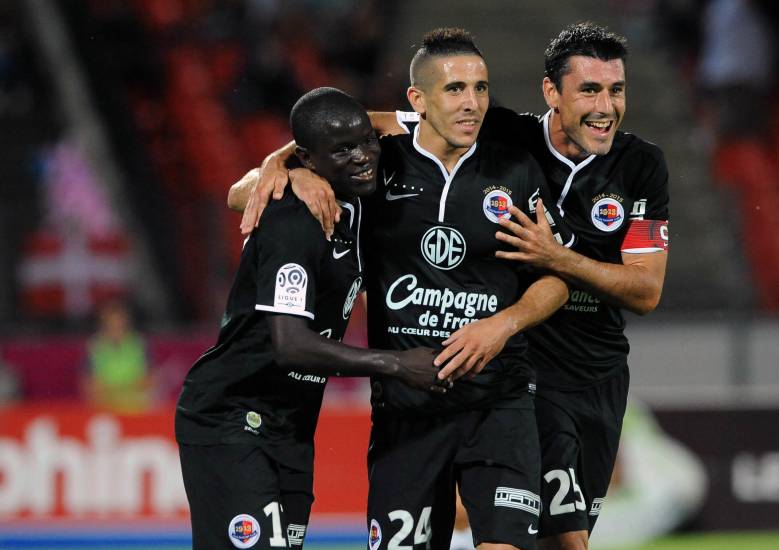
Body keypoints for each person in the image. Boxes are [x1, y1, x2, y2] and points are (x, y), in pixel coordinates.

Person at [235, 22, 670, 550]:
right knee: (561, 540)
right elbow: (341, 132)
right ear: (552, 93)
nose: (605, 105)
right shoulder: (483, 137)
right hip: (471, 385)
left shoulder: (630, 166)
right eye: (590, 90)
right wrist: (290, 165)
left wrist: (545, 270)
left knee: (563, 543)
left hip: (576, 375)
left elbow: (643, 291)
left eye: (616, 90)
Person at [175, 87, 448, 550]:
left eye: (366, 141)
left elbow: (433, 123)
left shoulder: (358, 199)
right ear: (311, 158)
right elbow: (290, 345)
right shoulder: (294, 220)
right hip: (233, 415)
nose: (364, 157)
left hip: (292, 423)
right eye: (343, 150)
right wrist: (398, 365)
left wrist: (280, 162)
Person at [82, 299, 153, 414]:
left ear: (126, 321)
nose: (116, 325)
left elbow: (149, 380)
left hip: (136, 408)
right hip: (105, 409)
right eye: (112, 321)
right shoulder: (94, 347)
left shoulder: (139, 344)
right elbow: (90, 385)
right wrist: (123, 391)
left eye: (120, 321)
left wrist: (121, 393)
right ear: (104, 322)